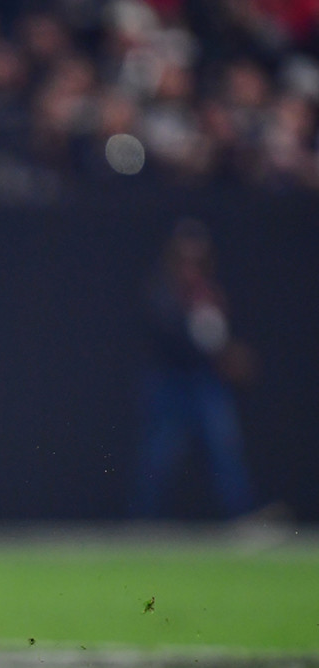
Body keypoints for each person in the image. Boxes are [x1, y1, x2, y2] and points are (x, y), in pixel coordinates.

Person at [131, 218, 259, 520]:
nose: (191, 266)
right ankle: (141, 524)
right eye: (185, 258)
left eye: (197, 259)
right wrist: (197, 325)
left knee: (225, 451)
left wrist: (227, 352)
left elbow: (221, 342)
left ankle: (242, 517)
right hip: (170, 384)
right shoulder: (162, 293)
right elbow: (168, 335)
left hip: (205, 383)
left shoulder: (211, 294)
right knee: (158, 458)